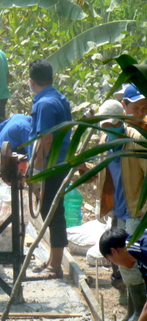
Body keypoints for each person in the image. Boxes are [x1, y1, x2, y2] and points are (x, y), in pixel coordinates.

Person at [96, 99, 147, 319]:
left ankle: (139, 311)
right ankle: (133, 310)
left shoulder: (135, 141)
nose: (108, 129)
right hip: (118, 210)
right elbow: (102, 172)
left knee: (133, 261)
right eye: (104, 125)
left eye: (112, 125)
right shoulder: (104, 141)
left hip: (136, 210)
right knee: (124, 265)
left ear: (122, 121)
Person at [28, 59, 72, 279]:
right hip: (60, 163)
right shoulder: (58, 98)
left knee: (52, 213)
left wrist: (37, 173)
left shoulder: (44, 104)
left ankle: (56, 265)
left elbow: (45, 140)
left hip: (51, 167)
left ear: (31, 81)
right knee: (50, 211)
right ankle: (52, 259)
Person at [100, 228, 147, 321]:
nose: (115, 264)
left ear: (114, 251)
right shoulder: (141, 262)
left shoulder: (138, 247)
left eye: (110, 259)